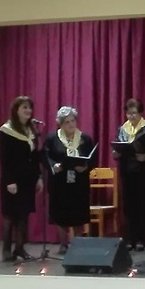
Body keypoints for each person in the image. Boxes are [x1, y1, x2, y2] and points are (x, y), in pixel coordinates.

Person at [43, 106, 97, 255]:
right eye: (67, 122)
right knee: (60, 213)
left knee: (78, 213)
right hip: (59, 181)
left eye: (73, 121)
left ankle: (77, 243)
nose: (71, 124)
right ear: (60, 124)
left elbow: (93, 158)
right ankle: (63, 244)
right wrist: (54, 166)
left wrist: (85, 167)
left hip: (79, 182)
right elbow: (46, 157)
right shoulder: (52, 138)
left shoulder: (85, 139)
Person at [112, 98, 145, 251]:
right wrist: (116, 153)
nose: (131, 116)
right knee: (128, 206)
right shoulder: (122, 129)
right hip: (126, 171)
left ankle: (141, 239)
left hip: (142, 171)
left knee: (142, 205)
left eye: (134, 113)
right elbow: (118, 145)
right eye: (128, 113)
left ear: (140, 113)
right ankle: (129, 239)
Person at [0, 96, 44, 261]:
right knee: (10, 215)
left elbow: (35, 157)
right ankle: (6, 250)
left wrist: (39, 177)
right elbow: (4, 158)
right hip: (12, 180)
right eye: (24, 107)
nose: (28, 111)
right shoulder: (7, 130)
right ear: (16, 110)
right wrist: (9, 181)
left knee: (24, 215)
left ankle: (19, 248)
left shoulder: (31, 130)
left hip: (28, 179)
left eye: (29, 107)